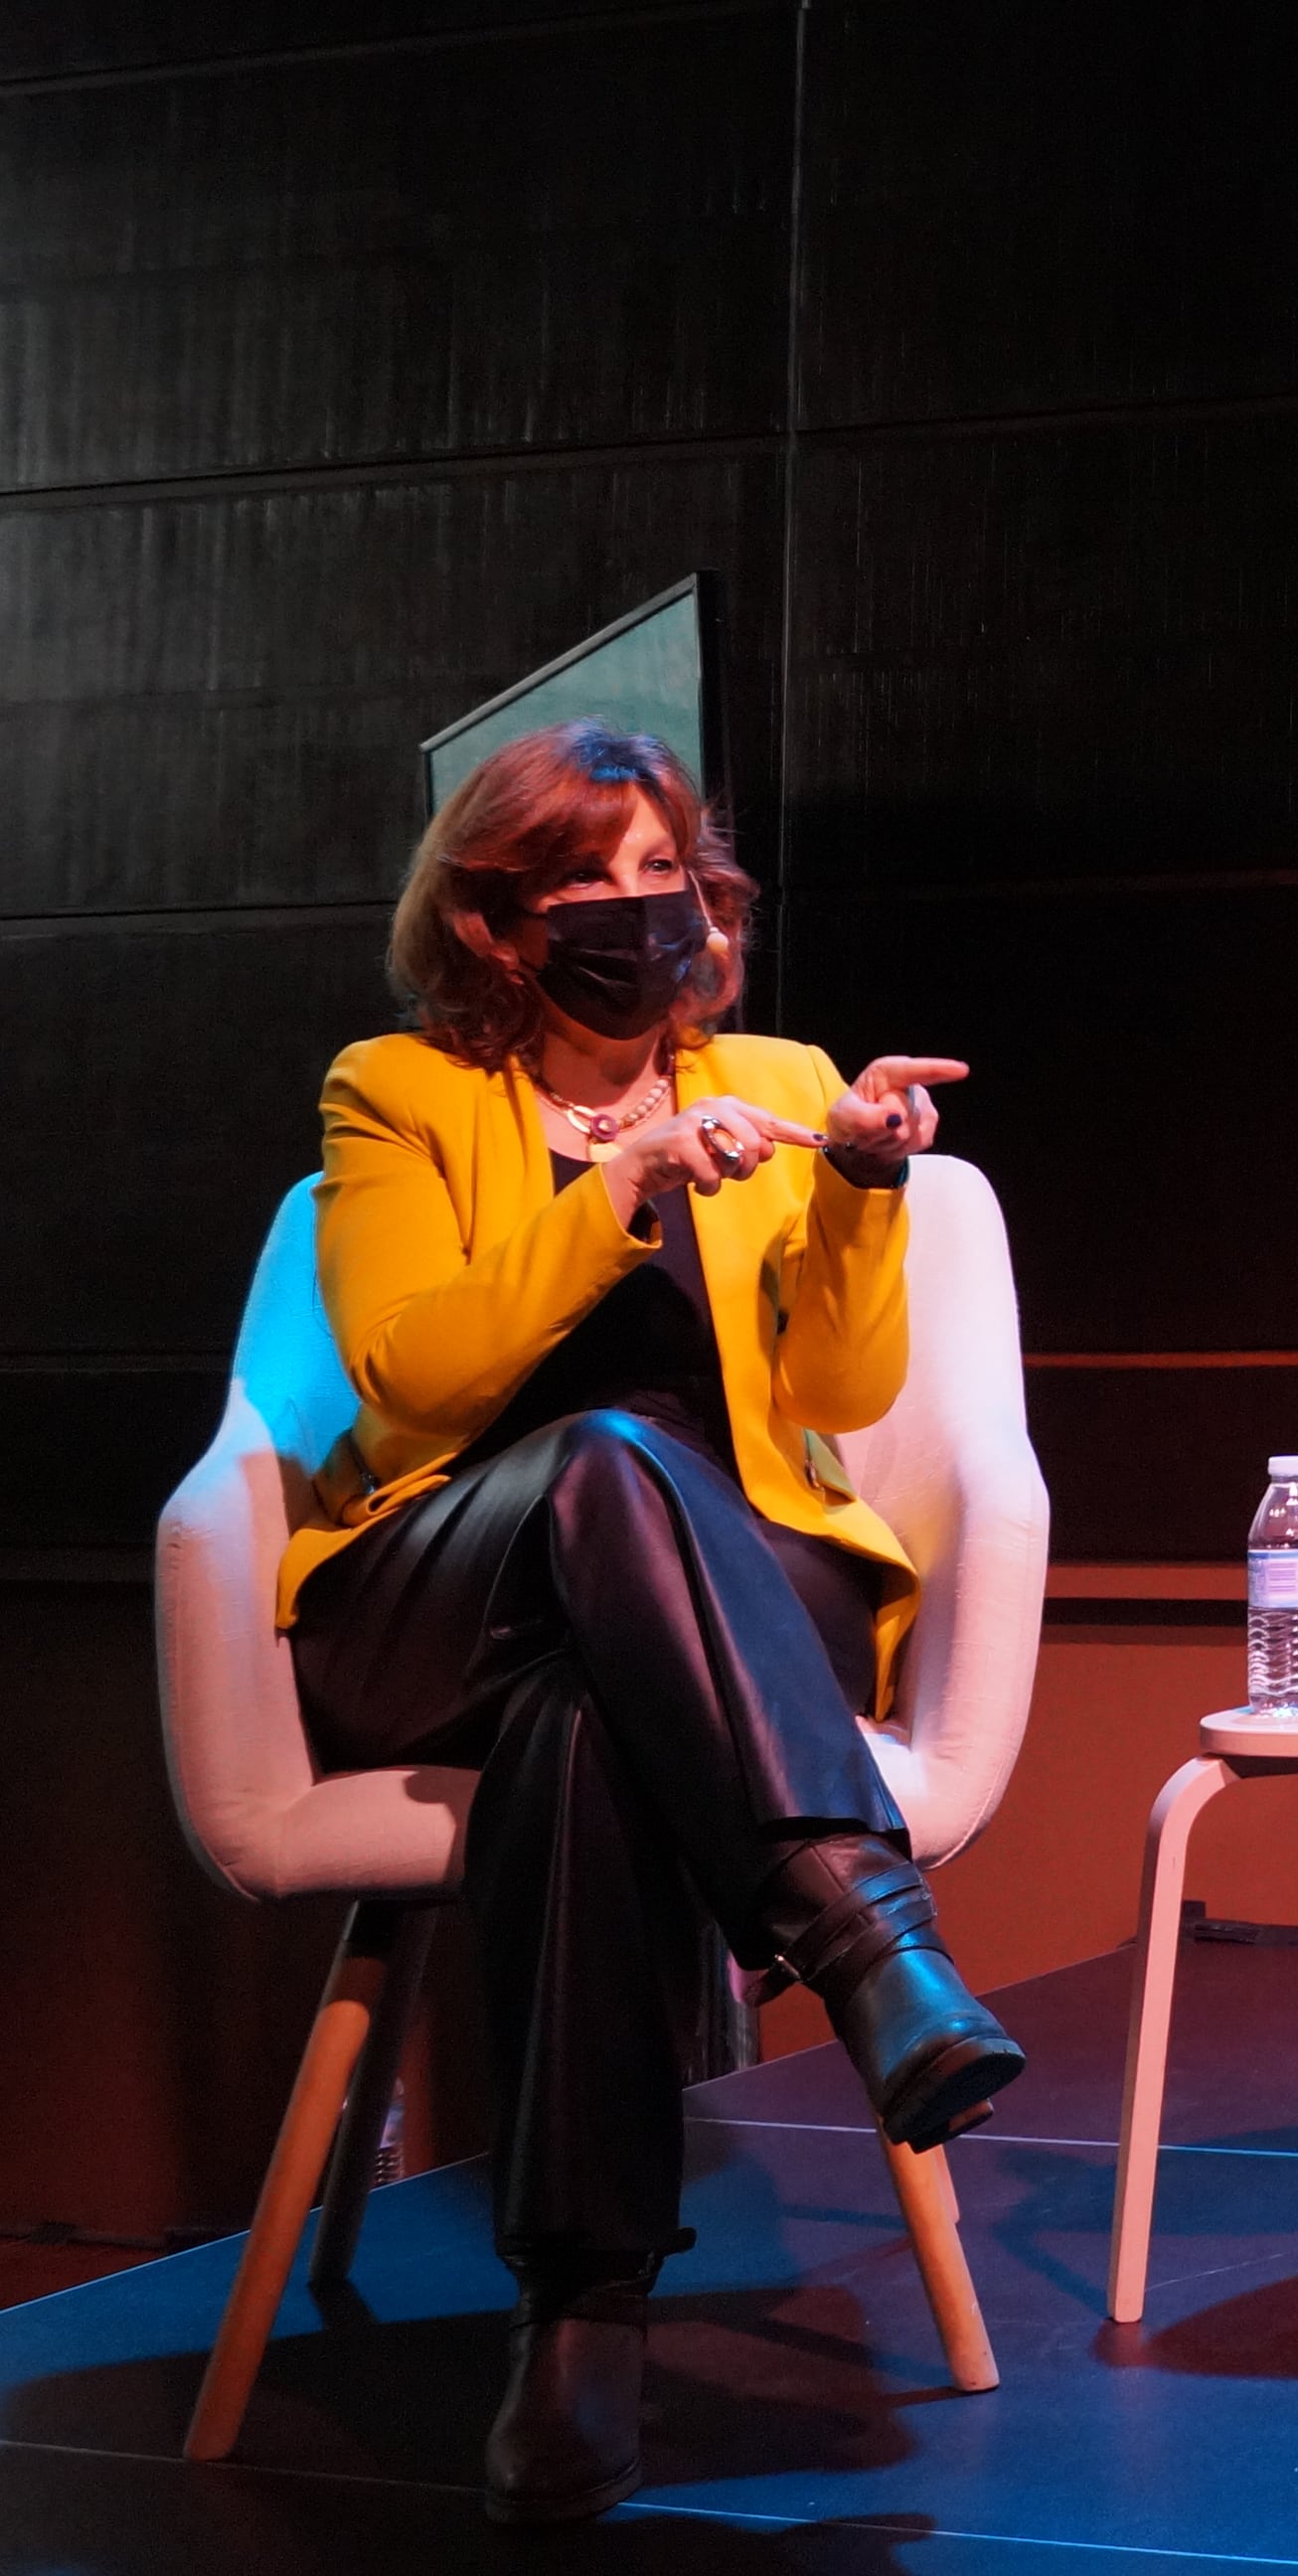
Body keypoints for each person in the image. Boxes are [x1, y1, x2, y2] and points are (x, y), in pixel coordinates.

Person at [287, 721, 1010, 2528]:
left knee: (594, 1729)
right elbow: (408, 1381)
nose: (641, 907)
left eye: (663, 869)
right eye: (591, 879)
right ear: (497, 926)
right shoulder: (395, 1091)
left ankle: (579, 2319)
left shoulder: (776, 1072)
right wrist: (612, 1186)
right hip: (450, 1581)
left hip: (736, 1611)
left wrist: (854, 1181)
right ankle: (856, 1937)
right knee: (605, 1461)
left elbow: (846, 1383)